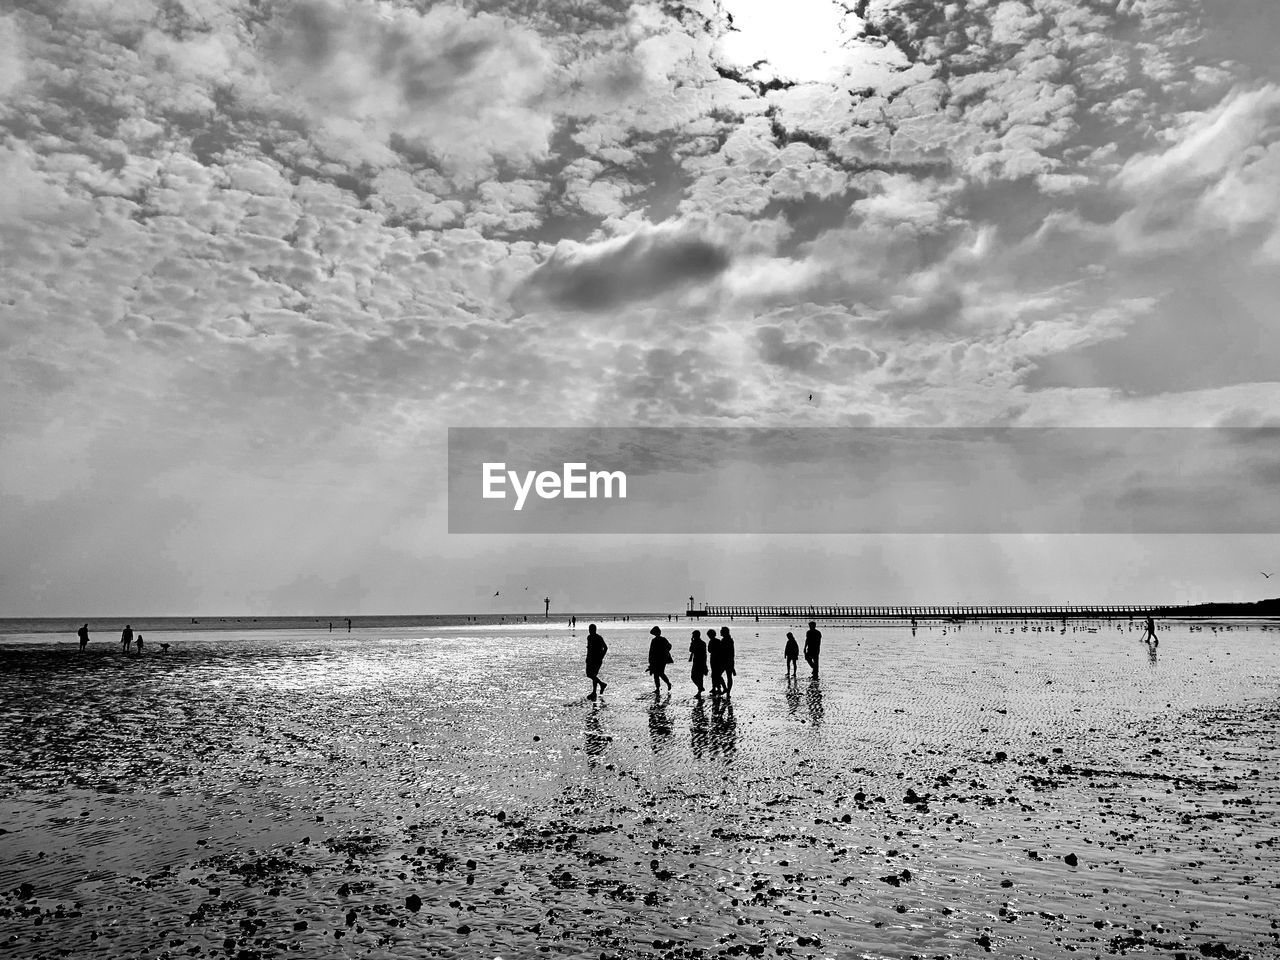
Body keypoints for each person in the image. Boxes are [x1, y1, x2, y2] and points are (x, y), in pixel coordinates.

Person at [585, 624, 608, 700]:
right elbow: (589, 649)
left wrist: (601, 657)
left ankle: (601, 685)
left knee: (591, 674)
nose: (590, 631)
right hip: (591, 659)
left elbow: (605, 647)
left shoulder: (598, 638)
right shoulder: (589, 637)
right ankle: (594, 692)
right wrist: (587, 658)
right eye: (589, 629)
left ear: (594, 630)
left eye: (591, 629)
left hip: (596, 660)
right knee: (592, 675)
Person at [647, 625, 672, 693]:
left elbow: (651, 651)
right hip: (662, 659)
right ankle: (659, 687)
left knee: (659, 673)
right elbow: (669, 646)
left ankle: (666, 684)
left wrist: (650, 660)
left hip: (658, 659)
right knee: (658, 674)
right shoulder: (663, 639)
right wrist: (666, 651)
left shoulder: (655, 640)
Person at [688, 629, 707, 695]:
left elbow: (691, 650)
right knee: (697, 677)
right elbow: (691, 650)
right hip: (698, 661)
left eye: (693, 635)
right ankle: (700, 688)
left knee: (696, 677)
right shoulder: (702, 643)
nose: (693, 637)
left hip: (699, 661)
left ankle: (700, 690)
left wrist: (692, 643)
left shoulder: (701, 643)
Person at [720, 626, 736, 695]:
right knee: (729, 677)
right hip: (729, 660)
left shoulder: (725, 640)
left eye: (721, 631)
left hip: (725, 661)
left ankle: (726, 689)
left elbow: (728, 652)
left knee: (718, 675)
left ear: (724, 632)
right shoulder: (729, 640)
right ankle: (728, 691)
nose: (720, 632)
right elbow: (732, 653)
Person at [706, 627, 723, 693]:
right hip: (717, 659)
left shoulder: (712, 641)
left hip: (714, 659)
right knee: (715, 674)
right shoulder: (718, 641)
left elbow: (709, 650)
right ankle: (716, 687)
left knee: (715, 674)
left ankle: (717, 688)